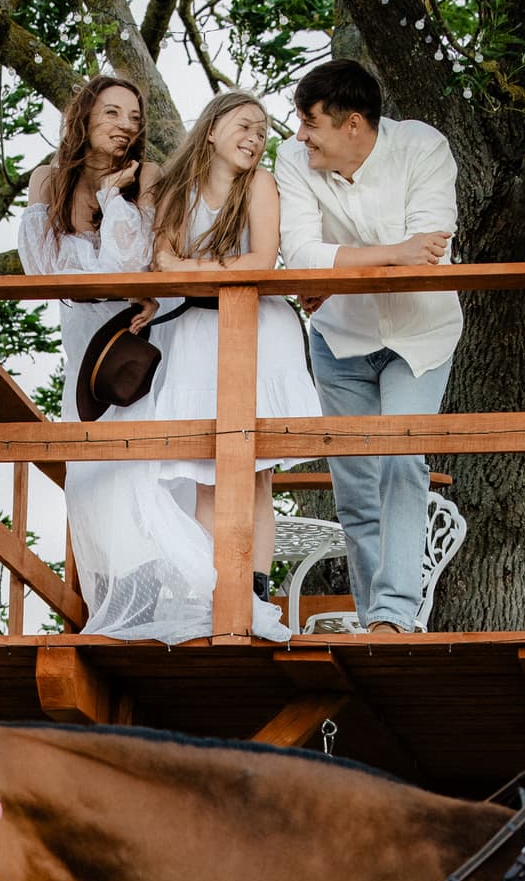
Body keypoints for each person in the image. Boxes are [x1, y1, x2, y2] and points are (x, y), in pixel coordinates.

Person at [17, 76, 217, 644]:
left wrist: (113, 198)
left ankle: (165, 602)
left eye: (133, 116)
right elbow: (43, 273)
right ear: (83, 118)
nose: (126, 124)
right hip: (83, 340)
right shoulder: (48, 181)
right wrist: (95, 278)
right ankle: (120, 605)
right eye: (112, 112)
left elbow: (130, 263)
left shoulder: (145, 177)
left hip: (133, 341)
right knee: (92, 478)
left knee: (144, 470)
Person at [275, 58, 461, 634]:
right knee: (354, 485)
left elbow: (427, 251)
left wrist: (338, 270)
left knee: (402, 464)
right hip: (340, 339)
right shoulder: (292, 161)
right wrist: (389, 252)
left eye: (311, 124)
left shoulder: (422, 148)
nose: (300, 136)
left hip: (419, 338)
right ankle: (370, 616)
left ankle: (395, 617)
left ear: (353, 124)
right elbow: (300, 255)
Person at [144, 91, 323, 641]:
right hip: (198, 332)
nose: (255, 137)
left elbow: (261, 261)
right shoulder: (176, 190)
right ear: (214, 129)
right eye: (245, 125)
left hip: (261, 330)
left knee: (257, 477)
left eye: (263, 130)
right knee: (207, 477)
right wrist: (202, 270)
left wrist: (192, 266)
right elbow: (161, 264)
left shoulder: (260, 185)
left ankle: (254, 595)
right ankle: (211, 590)